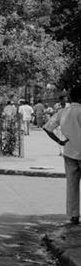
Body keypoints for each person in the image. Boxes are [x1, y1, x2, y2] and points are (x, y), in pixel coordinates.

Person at [43, 85, 81, 225]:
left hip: (69, 152)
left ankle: (74, 215)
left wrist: (59, 141)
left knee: (72, 185)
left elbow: (47, 128)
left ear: (71, 97)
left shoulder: (63, 112)